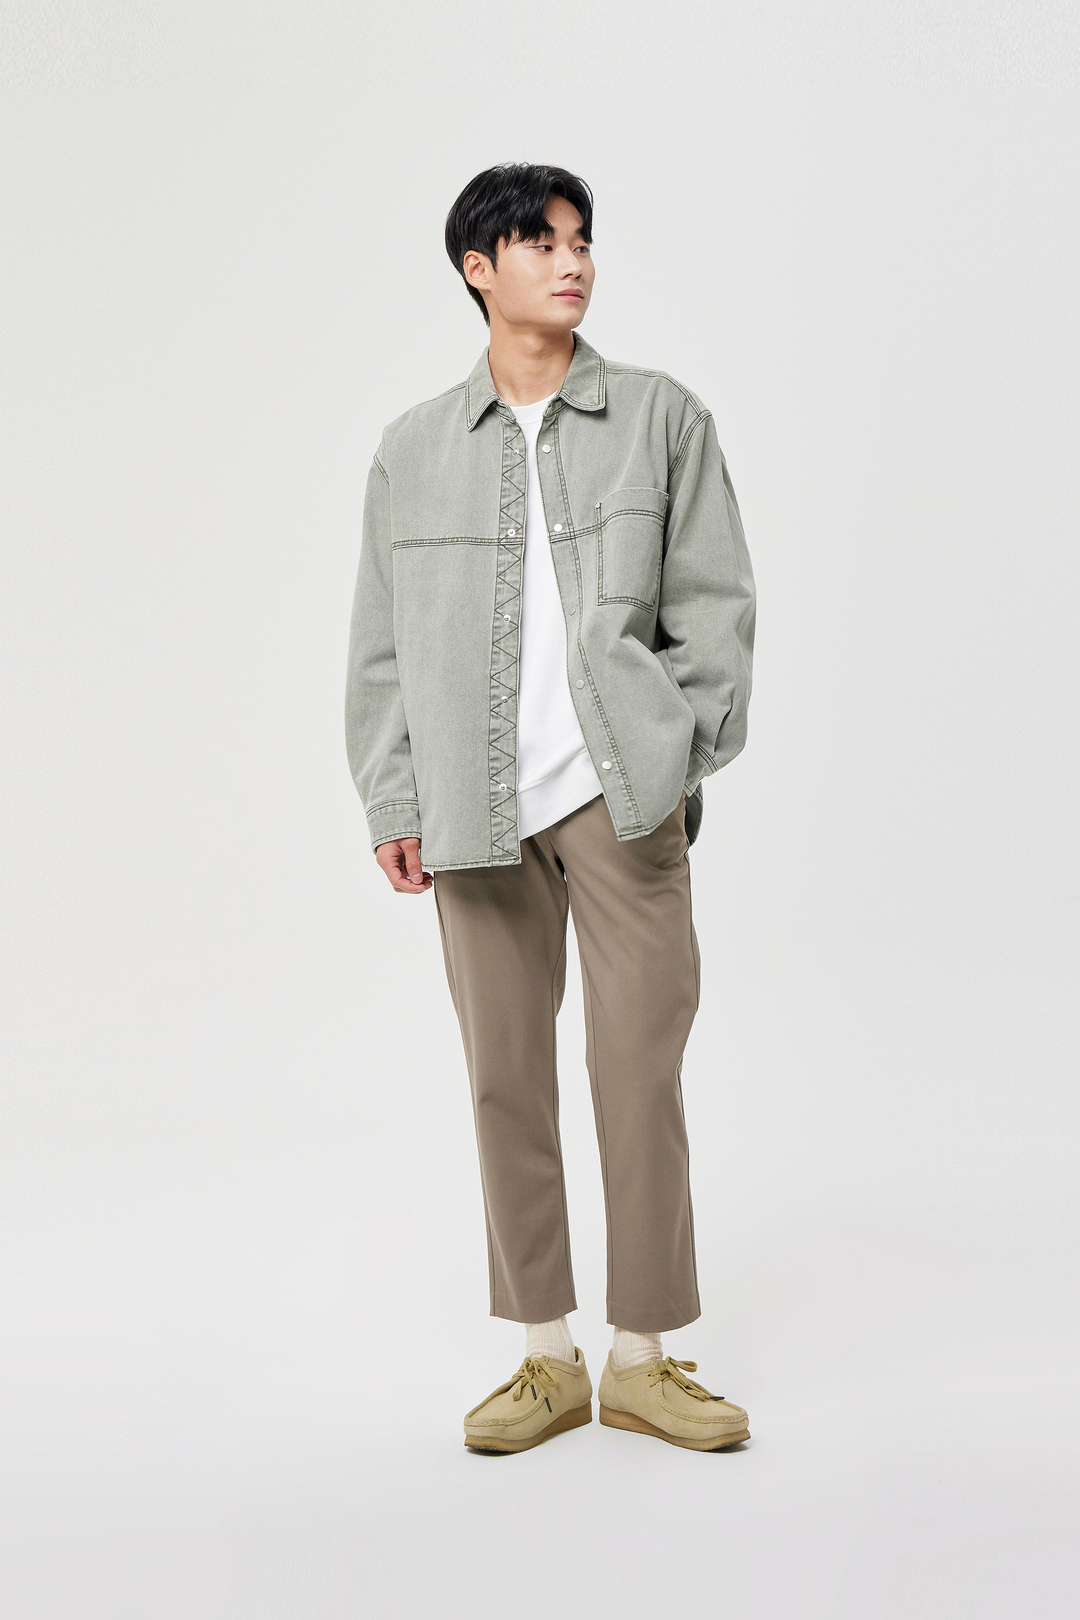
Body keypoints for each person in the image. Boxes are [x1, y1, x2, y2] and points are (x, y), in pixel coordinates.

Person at [346, 163, 756, 1453]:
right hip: (473, 807)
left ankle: (641, 1357)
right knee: (504, 1081)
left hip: (620, 799)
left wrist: (679, 755)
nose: (571, 261)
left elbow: (717, 606)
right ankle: (543, 1356)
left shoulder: (660, 417)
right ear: (479, 269)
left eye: (581, 240)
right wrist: (394, 792)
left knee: (639, 1072)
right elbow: (378, 646)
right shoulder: (414, 449)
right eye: (540, 242)